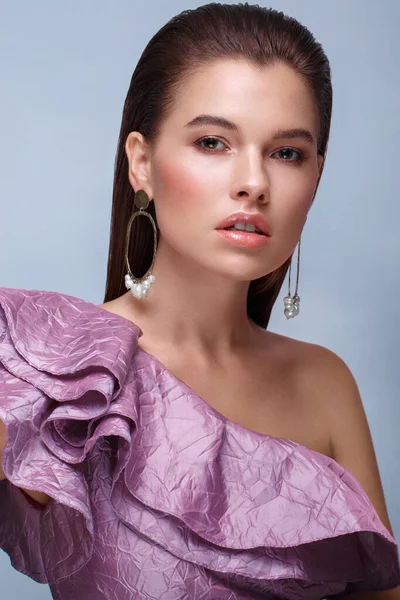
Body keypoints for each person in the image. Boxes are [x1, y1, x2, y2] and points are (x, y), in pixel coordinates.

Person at [0, 3, 399, 599]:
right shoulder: (54, 370)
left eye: (287, 152)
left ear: (316, 175)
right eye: (213, 142)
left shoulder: (325, 384)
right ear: (142, 162)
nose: (255, 182)